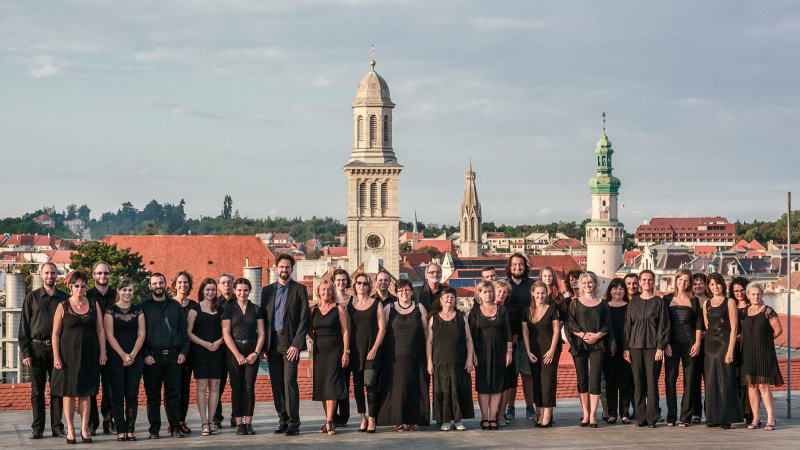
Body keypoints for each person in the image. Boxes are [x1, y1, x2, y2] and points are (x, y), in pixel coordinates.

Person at [51, 270, 107, 444]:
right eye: (77, 286)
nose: (80, 289)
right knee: (68, 394)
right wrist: (56, 356)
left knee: (87, 393)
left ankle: (84, 429)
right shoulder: (63, 305)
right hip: (67, 356)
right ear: (70, 287)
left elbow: (100, 330)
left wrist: (103, 352)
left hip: (90, 354)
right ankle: (70, 429)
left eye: (83, 285)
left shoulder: (93, 303)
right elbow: (55, 333)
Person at [261, 254, 309, 436]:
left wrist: (296, 345)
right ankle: (282, 421)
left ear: (292, 269)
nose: (284, 270)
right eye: (281, 267)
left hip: (290, 343)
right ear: (276, 269)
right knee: (277, 384)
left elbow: (304, 320)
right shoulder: (267, 291)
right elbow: (263, 320)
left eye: (288, 267)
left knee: (289, 382)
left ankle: (294, 423)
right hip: (272, 342)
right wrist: (263, 347)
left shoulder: (299, 290)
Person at [19, 262, 67, 439]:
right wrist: (26, 353)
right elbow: (23, 327)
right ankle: (37, 428)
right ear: (41, 275)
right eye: (46, 273)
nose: (50, 276)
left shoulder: (65, 298)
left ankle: (57, 427)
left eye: (53, 273)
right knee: (37, 391)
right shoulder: (31, 298)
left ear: (57, 275)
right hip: (36, 348)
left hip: (58, 350)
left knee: (57, 390)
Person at [377, 278, 430, 431]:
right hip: (394, 357)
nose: (404, 293)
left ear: (412, 292)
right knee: (397, 389)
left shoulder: (420, 307)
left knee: (415, 388)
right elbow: (383, 331)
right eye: (401, 290)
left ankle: (412, 421)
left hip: (416, 356)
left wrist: (428, 356)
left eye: (407, 290)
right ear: (396, 292)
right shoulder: (389, 308)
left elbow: (428, 333)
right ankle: (398, 420)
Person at [141, 272, 190, 439]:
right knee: (152, 396)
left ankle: (175, 427)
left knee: (173, 396)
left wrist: (183, 352)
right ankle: (154, 429)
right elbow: (139, 334)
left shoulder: (175, 306)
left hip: (173, 358)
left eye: (160, 283)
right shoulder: (143, 306)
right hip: (152, 358)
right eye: (154, 283)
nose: (158, 286)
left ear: (165, 284)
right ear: (150, 286)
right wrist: (145, 355)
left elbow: (184, 332)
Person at [623, 270, 669, 428]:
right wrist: (626, 348)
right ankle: (640, 417)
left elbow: (663, 326)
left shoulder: (659, 302)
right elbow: (628, 326)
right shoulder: (633, 302)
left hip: (652, 347)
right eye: (644, 280)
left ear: (653, 282)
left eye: (650, 280)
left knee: (652, 383)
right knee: (638, 383)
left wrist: (660, 347)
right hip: (635, 346)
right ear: (640, 282)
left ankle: (652, 417)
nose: (647, 282)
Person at [427, 286, 475, 431]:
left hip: (459, 361)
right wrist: (429, 362)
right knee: (443, 391)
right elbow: (429, 342)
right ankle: (445, 420)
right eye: (446, 297)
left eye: (452, 297)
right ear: (441, 300)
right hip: (440, 361)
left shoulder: (462, 317)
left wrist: (470, 358)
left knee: (458, 391)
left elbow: (469, 340)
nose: (449, 299)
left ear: (455, 300)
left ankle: (458, 420)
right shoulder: (433, 319)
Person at [568, 272, 611, 428]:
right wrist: (584, 335)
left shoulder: (603, 303)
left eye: (590, 283)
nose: (587, 285)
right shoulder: (575, 302)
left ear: (595, 284)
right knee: (582, 380)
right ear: (581, 285)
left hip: (598, 344)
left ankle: (593, 415)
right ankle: (585, 414)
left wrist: (597, 335)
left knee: (595, 380)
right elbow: (571, 324)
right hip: (580, 344)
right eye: (584, 283)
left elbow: (607, 324)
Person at [223, 278, 266, 436]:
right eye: (239, 290)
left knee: (249, 388)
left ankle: (249, 423)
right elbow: (226, 333)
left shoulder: (256, 309)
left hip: (252, 352)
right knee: (236, 388)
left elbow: (261, 333)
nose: (242, 293)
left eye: (245, 290)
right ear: (234, 291)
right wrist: (237, 354)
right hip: (234, 352)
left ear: (250, 291)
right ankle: (239, 423)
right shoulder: (229, 309)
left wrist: (256, 353)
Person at [104, 277, 145, 441]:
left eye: (130, 290)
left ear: (133, 292)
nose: (127, 293)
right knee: (117, 395)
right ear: (119, 291)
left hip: (135, 358)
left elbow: (142, 334)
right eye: (124, 290)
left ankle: (130, 429)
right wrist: (123, 355)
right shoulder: (110, 311)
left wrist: (133, 355)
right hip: (116, 358)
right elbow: (109, 335)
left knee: (132, 395)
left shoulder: (138, 310)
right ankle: (120, 429)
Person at [469, 281, 513, 430]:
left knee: (497, 385)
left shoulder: (501, 310)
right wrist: (472, 354)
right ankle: (484, 418)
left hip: (500, 352)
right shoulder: (475, 311)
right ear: (479, 294)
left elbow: (508, 332)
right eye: (485, 292)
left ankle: (493, 417)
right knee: (483, 386)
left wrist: (509, 351)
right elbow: (471, 336)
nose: (488, 294)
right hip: (481, 353)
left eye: (490, 292)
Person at [309, 279, 350, 435]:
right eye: (323, 289)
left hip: (335, 350)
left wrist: (346, 351)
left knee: (332, 386)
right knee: (323, 387)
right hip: (319, 351)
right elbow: (309, 330)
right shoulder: (313, 310)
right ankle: (329, 420)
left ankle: (329, 421)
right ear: (318, 291)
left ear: (333, 292)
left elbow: (345, 331)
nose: (326, 292)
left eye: (329, 290)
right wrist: (319, 340)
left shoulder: (339, 308)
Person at [741, 282, 783, 431]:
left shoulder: (767, 311)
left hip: (764, 352)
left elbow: (778, 330)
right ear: (748, 295)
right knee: (751, 386)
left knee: (763, 386)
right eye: (753, 294)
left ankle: (771, 418)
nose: (756, 297)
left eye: (758, 294)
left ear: (762, 295)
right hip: (748, 353)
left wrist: (764, 340)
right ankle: (756, 418)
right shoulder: (745, 312)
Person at [663, 268, 702, 427]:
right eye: (680, 280)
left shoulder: (694, 301)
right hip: (671, 344)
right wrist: (665, 343)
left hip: (689, 343)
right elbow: (663, 324)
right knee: (670, 379)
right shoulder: (666, 299)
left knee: (690, 380)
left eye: (686, 280)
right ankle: (671, 416)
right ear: (675, 280)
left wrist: (698, 343)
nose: (683, 283)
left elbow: (698, 324)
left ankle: (685, 417)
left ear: (690, 283)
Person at [703, 273, 742, 429]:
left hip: (725, 344)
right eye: (712, 284)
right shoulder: (706, 304)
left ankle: (726, 418)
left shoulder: (730, 302)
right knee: (711, 381)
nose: (715, 287)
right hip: (710, 347)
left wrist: (730, 350)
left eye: (718, 283)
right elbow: (707, 325)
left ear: (723, 285)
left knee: (725, 381)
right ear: (709, 287)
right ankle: (713, 417)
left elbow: (734, 328)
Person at [349, 272, 387, 433]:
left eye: (365, 283)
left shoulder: (376, 303)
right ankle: (362, 418)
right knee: (357, 386)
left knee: (370, 384)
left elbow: (382, 329)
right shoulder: (349, 305)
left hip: (371, 351)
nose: (362, 286)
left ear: (369, 286)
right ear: (354, 285)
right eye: (359, 283)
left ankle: (372, 419)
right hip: (355, 351)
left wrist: (374, 349)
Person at [188, 278, 225, 437]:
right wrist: (204, 343)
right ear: (202, 291)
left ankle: (211, 422)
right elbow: (189, 333)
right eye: (208, 290)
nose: (210, 292)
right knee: (202, 387)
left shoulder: (221, 310)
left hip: (217, 351)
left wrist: (219, 342)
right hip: (201, 352)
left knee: (215, 386)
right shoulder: (194, 310)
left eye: (213, 290)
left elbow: (226, 331)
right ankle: (204, 422)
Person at [522, 281, 561, 428]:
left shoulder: (551, 309)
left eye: (543, 293)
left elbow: (556, 330)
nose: (540, 296)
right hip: (533, 351)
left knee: (548, 383)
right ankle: (539, 413)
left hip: (549, 351)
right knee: (537, 383)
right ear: (532, 293)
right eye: (537, 293)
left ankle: (547, 415)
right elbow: (525, 332)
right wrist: (528, 351)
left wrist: (552, 350)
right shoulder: (527, 311)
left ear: (547, 293)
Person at [86, 261, 116, 436]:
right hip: (91, 347)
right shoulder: (87, 296)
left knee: (109, 387)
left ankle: (108, 421)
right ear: (93, 275)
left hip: (112, 348)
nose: (102, 276)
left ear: (110, 275)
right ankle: (92, 422)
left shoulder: (116, 296)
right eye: (99, 273)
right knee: (91, 387)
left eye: (105, 273)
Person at [504, 253, 535, 421]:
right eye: (514, 265)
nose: (518, 267)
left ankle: (530, 407)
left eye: (521, 265)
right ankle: (510, 407)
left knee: (528, 375)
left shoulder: (532, 285)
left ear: (525, 267)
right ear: (509, 267)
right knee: (512, 375)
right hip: (510, 339)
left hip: (528, 338)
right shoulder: (504, 285)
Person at [603, 278, 633, 424]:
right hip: (609, 349)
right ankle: (612, 413)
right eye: (615, 288)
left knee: (625, 382)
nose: (618, 291)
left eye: (621, 288)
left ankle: (625, 413)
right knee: (610, 383)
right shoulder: (604, 306)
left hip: (626, 348)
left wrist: (628, 348)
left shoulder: (630, 306)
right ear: (610, 290)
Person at [171, 271, 197, 435]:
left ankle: (181, 420)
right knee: (172, 389)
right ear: (174, 285)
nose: (183, 285)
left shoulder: (194, 305)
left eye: (185, 282)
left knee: (185, 388)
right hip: (172, 352)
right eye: (179, 282)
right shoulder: (169, 304)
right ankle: (172, 421)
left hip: (188, 352)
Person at [213, 272, 236, 429]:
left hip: (236, 350)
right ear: (219, 286)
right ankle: (217, 417)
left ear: (233, 284)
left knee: (236, 385)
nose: (226, 285)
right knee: (217, 385)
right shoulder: (214, 304)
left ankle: (236, 416)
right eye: (223, 282)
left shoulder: (240, 302)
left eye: (229, 282)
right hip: (219, 351)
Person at [493, 280, 516, 427]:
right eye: (499, 291)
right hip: (489, 351)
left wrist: (508, 349)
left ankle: (501, 414)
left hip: (507, 351)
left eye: (504, 292)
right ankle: (492, 414)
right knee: (493, 384)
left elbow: (514, 333)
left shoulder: (511, 310)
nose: (501, 294)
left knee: (506, 384)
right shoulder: (482, 308)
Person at [730, 276, 753, 424]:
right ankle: (737, 412)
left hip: (749, 347)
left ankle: (749, 413)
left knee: (749, 381)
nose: (739, 293)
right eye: (736, 291)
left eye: (742, 290)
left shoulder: (753, 306)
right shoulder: (730, 305)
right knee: (735, 380)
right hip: (734, 348)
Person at [690, 272, 710, 423]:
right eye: (695, 283)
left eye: (700, 283)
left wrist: (707, 333)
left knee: (709, 380)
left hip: (711, 345)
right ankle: (696, 412)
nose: (697, 286)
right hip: (693, 345)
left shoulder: (711, 301)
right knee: (694, 379)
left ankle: (710, 410)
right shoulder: (689, 301)